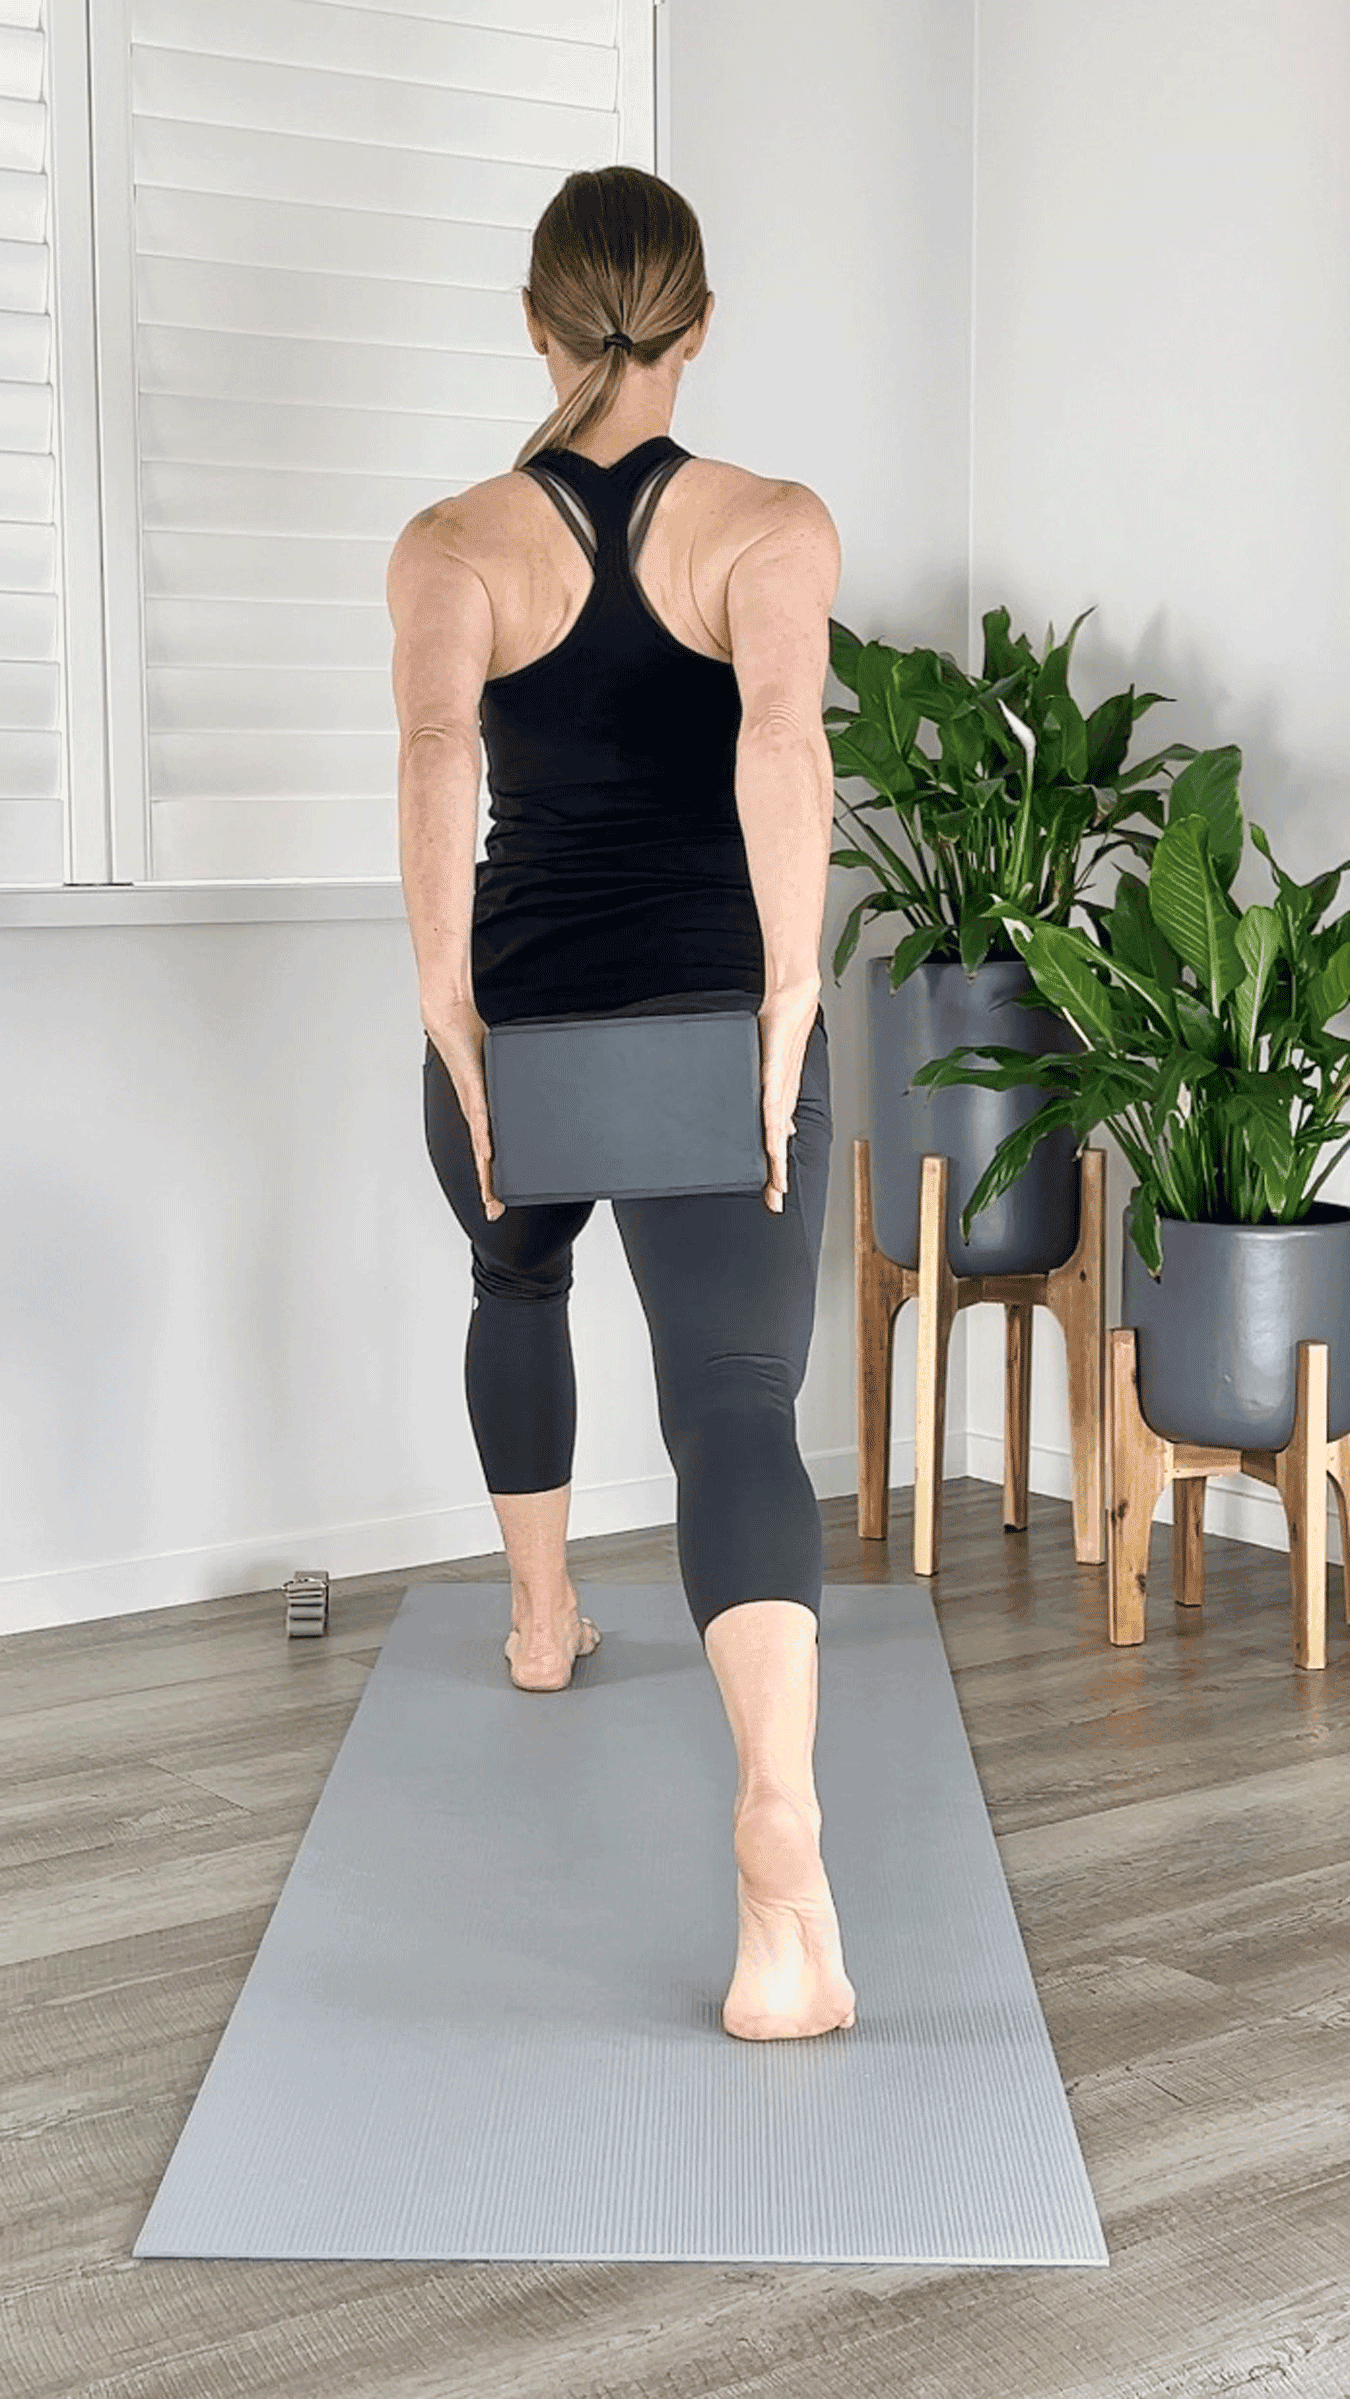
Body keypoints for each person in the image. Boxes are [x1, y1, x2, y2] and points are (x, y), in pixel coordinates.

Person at [386, 165, 854, 2042]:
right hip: (705, 1034)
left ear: (536, 321)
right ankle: (777, 1816)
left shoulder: (453, 542)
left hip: (524, 1028)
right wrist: (788, 998)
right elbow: (780, 741)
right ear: (699, 322)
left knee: (515, 1285)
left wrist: (451, 1012)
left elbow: (435, 750)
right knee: (734, 1403)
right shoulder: (770, 526)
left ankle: (535, 1622)